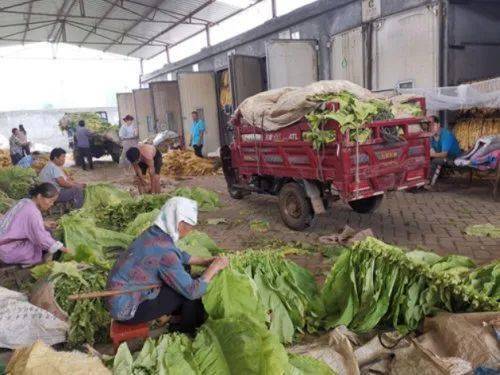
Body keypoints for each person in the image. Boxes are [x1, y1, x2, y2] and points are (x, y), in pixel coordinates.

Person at [106, 197, 228, 334]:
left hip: (119, 298)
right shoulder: (165, 252)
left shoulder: (154, 233)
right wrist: (214, 268)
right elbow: (192, 291)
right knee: (188, 290)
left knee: (185, 271)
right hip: (127, 310)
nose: (188, 231)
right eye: (188, 227)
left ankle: (176, 314)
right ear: (179, 223)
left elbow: (178, 255)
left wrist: (205, 261)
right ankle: (186, 329)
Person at [0, 183, 71, 265]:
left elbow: (19, 221)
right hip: (7, 251)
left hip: (2, 241)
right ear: (39, 196)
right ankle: (32, 264)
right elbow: (41, 238)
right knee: (40, 245)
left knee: (44, 234)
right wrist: (64, 249)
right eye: (50, 201)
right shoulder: (33, 212)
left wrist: (43, 223)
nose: (51, 204)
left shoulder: (24, 201)